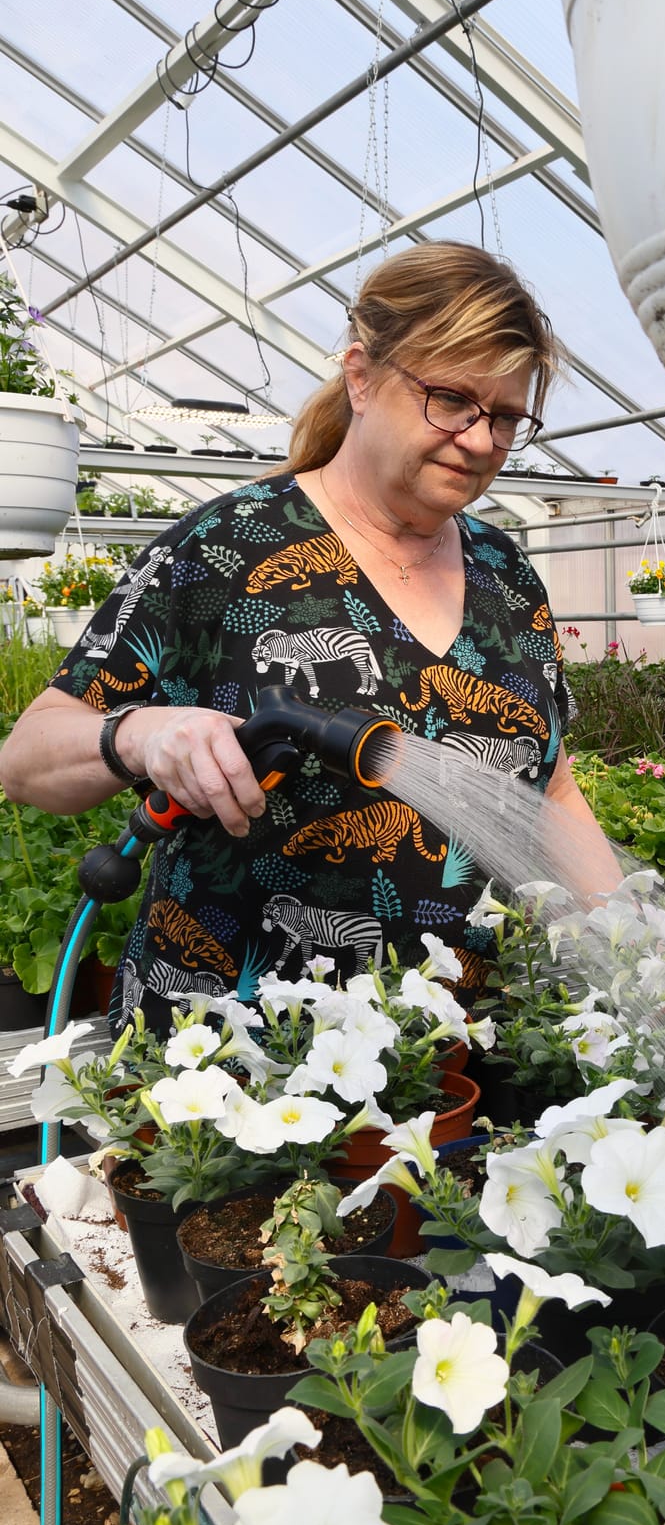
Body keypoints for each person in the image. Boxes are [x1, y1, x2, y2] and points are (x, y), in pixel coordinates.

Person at [0, 242, 622, 1024]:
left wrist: (641, 951)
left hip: (451, 1058)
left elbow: (550, 789)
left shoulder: (507, 576)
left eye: (504, 417)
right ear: (361, 376)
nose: (478, 438)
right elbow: (26, 758)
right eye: (451, 400)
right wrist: (146, 735)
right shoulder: (227, 547)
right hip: (233, 1073)